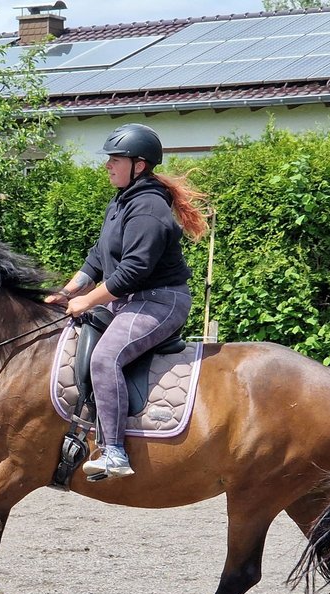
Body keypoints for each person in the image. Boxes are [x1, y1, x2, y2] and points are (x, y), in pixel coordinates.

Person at [45, 123, 209, 479]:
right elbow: (97, 257)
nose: (108, 165)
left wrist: (87, 300)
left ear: (139, 165)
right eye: (109, 159)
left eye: (116, 159)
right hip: (129, 301)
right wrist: (68, 292)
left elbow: (132, 271)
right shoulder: (122, 201)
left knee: (106, 358)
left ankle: (115, 452)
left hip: (159, 302)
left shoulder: (149, 207)